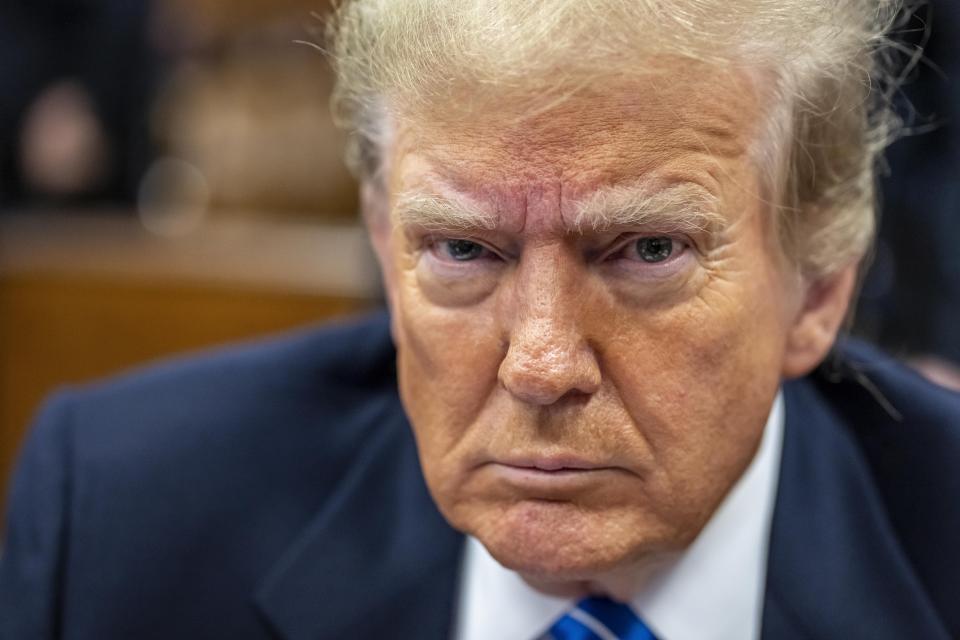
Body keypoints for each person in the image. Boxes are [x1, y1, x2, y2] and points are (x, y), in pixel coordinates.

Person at [2, 1, 958, 638]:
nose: (539, 365)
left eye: (647, 251)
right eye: (463, 250)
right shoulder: (123, 525)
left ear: (821, 287)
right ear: (384, 242)